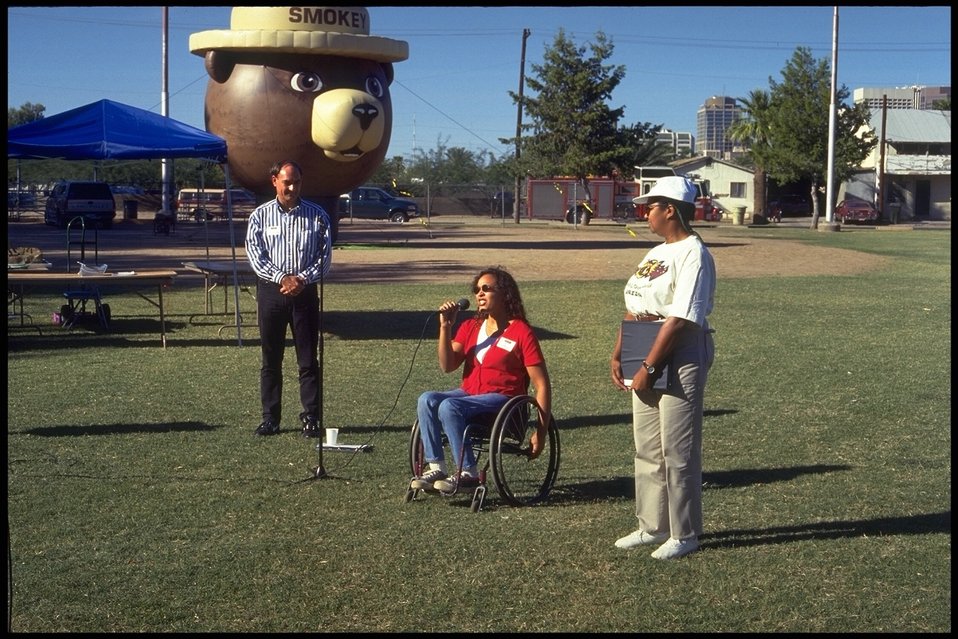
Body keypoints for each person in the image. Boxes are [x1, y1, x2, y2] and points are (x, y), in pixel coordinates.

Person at [610, 176, 716, 560]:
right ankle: (652, 527)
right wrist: (620, 352)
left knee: (678, 449)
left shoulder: (694, 254)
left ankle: (684, 533)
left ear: (670, 209)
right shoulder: (655, 251)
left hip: (679, 349)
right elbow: (635, 301)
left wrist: (650, 367)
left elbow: (680, 319)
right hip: (644, 343)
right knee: (647, 445)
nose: (645, 212)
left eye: (651, 206)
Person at [411, 267, 552, 494]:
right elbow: (447, 365)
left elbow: (542, 385)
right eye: (477, 290)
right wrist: (445, 327)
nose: (479, 294)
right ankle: (436, 466)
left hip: (503, 401)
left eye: (486, 289)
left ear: (505, 294)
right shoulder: (471, 327)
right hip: (470, 394)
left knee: (449, 406)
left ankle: (469, 473)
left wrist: (541, 432)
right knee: (426, 399)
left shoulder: (521, 332)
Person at [245, 160, 332, 438]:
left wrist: (301, 279)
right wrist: (283, 278)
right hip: (271, 293)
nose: (292, 187)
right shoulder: (259, 216)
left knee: (308, 360)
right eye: (286, 182)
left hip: (305, 294)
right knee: (271, 358)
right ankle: (270, 418)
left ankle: (311, 417)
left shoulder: (317, 216)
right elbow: (255, 256)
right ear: (275, 181)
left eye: (296, 182)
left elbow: (324, 258)